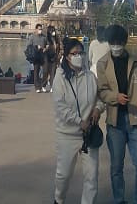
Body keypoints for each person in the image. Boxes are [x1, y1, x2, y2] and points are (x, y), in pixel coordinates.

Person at [97, 24, 137, 204]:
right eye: (113, 42)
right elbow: (102, 91)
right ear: (109, 43)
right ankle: (119, 199)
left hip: (135, 119)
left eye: (119, 42)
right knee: (116, 167)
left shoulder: (136, 62)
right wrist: (115, 97)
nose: (116, 46)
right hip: (115, 122)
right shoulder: (103, 63)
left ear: (124, 42)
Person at [52, 37, 104, 204]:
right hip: (67, 134)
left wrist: (97, 109)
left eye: (81, 53)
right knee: (63, 174)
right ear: (67, 56)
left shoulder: (90, 76)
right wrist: (78, 121)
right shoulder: (60, 77)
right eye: (75, 53)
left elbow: (100, 98)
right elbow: (60, 107)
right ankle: (58, 199)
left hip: (88, 134)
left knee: (92, 176)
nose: (79, 56)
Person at [27, 23, 48, 92]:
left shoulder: (44, 37)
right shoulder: (32, 37)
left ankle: (43, 85)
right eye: (39, 29)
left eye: (41, 29)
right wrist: (36, 47)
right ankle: (37, 87)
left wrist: (46, 48)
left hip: (43, 55)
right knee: (36, 71)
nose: (40, 30)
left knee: (45, 71)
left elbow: (47, 44)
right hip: (36, 55)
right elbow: (29, 47)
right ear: (36, 29)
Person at [45, 26, 61, 92]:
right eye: (52, 30)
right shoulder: (46, 38)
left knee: (53, 72)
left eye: (54, 30)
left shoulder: (57, 39)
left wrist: (59, 55)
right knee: (45, 71)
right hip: (47, 57)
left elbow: (60, 47)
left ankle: (52, 86)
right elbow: (44, 47)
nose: (53, 32)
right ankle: (43, 84)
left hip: (54, 57)